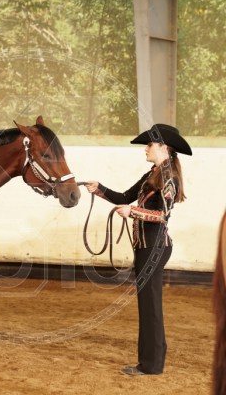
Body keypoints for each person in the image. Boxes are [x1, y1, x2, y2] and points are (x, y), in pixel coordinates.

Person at [85, 124, 192, 376]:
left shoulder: (169, 178)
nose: (146, 149)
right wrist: (99, 188)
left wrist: (132, 211)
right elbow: (124, 196)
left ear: (164, 147)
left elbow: (161, 215)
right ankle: (152, 360)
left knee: (150, 306)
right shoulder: (152, 174)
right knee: (148, 305)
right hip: (147, 247)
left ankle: (151, 364)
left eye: (149, 145)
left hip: (153, 247)